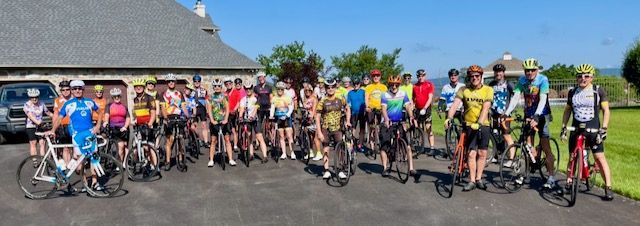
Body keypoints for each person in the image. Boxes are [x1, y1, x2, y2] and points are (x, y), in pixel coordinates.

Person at [561, 64, 613, 200]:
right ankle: (569, 182)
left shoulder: (597, 91)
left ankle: (608, 187)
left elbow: (606, 110)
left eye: (586, 76)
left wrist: (604, 129)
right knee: (572, 156)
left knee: (599, 157)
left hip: (593, 129)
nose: (582, 78)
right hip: (576, 128)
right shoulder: (572, 92)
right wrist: (563, 127)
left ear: (592, 77)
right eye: (579, 76)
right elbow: (567, 110)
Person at [504, 58, 557, 189]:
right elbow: (516, 96)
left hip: (542, 114)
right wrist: (507, 112)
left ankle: (551, 177)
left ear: (537, 69)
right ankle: (526, 173)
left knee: (545, 146)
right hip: (528, 114)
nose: (529, 73)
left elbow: (543, 99)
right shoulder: (522, 80)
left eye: (532, 70)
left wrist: (537, 115)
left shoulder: (542, 79)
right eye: (527, 70)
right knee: (527, 145)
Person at [445, 65, 493, 191]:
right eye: (471, 76)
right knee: (471, 154)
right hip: (468, 125)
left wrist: (480, 122)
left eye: (477, 76)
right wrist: (449, 118)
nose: (474, 78)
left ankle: (478, 178)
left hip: (483, 125)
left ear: (481, 77)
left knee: (482, 153)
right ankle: (472, 180)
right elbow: (455, 105)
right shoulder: (463, 89)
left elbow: (486, 108)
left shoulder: (488, 90)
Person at [46, 80, 101, 189]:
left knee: (93, 158)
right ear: (72, 90)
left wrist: (98, 126)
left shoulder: (89, 102)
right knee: (80, 161)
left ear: (83, 89)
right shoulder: (68, 104)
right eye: (75, 89)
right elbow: (59, 118)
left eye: (79, 88)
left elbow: (100, 112)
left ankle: (95, 182)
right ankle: (85, 184)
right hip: (77, 135)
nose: (77, 91)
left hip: (90, 133)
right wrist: (53, 130)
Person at [379, 75, 415, 177]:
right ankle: (385, 168)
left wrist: (411, 116)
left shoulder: (403, 93)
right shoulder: (384, 95)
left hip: (399, 121)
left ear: (399, 85)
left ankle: (411, 168)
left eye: (396, 85)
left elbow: (408, 106)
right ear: (389, 85)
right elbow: (384, 109)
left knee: (407, 146)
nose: (394, 87)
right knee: (384, 146)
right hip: (387, 122)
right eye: (392, 85)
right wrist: (386, 119)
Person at [315, 79, 349, 179]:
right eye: (328, 87)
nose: (330, 89)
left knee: (340, 149)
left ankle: (341, 170)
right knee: (326, 148)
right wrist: (319, 132)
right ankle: (326, 170)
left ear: (335, 88)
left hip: (338, 128)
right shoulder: (322, 100)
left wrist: (347, 121)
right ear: (325, 88)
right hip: (326, 128)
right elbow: (317, 116)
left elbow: (347, 108)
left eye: (332, 87)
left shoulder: (340, 98)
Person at [488, 64, 516, 165]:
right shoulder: (491, 84)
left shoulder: (509, 84)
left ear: (503, 73)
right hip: (494, 114)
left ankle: (511, 159)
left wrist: (509, 111)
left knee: (506, 135)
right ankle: (495, 155)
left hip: (505, 115)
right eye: (496, 71)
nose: (498, 73)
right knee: (494, 134)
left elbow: (515, 97)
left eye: (500, 71)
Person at [161, 73, 187, 171]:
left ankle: (180, 159)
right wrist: (165, 118)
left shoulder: (179, 94)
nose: (171, 83)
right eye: (169, 81)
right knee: (169, 140)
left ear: (175, 82)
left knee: (180, 140)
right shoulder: (163, 94)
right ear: (167, 83)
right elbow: (163, 108)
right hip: (169, 117)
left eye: (173, 81)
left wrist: (188, 116)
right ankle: (167, 161)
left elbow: (183, 106)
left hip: (179, 117)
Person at [238, 81, 269, 163]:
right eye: (246, 89)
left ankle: (265, 156)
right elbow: (241, 109)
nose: (248, 90)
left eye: (250, 89)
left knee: (259, 137)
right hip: (246, 120)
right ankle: (251, 154)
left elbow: (256, 108)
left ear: (252, 89)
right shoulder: (243, 99)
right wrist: (240, 116)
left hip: (255, 119)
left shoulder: (256, 98)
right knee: (249, 137)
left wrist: (252, 116)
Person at [208, 78, 236, 167]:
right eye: (215, 86)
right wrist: (212, 120)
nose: (217, 87)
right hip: (215, 121)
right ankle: (211, 160)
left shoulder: (225, 96)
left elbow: (227, 109)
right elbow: (209, 110)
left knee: (227, 139)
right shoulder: (210, 97)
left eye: (219, 86)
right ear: (213, 87)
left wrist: (226, 119)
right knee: (213, 141)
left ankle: (231, 159)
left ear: (221, 87)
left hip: (224, 120)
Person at [131, 78, 158, 169]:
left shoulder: (149, 97)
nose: (138, 88)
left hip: (148, 125)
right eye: (136, 87)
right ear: (134, 88)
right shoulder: (134, 99)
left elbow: (153, 112)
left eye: (140, 86)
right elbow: (135, 112)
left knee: (150, 146)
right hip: (139, 126)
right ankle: (147, 163)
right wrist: (134, 120)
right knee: (142, 146)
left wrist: (150, 123)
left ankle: (155, 166)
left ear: (143, 87)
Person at [102, 88, 130, 164]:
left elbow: (128, 118)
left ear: (120, 96)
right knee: (119, 146)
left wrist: (125, 127)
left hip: (123, 128)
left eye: (118, 96)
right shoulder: (109, 106)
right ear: (112, 97)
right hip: (113, 128)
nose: (116, 98)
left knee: (124, 146)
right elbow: (107, 115)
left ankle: (123, 163)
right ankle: (119, 162)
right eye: (115, 96)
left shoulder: (124, 107)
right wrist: (106, 122)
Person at [24, 88, 53, 162]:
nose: (34, 99)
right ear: (30, 98)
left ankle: (43, 160)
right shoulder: (27, 105)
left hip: (40, 126)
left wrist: (57, 118)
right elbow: (30, 116)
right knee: (33, 143)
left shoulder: (41, 104)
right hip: (31, 126)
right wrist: (39, 123)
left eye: (36, 97)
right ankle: (34, 160)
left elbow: (48, 112)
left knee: (42, 142)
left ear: (38, 97)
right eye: (32, 97)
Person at [412, 69, 436, 155]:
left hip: (426, 108)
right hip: (418, 109)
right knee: (420, 129)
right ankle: (421, 147)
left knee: (428, 127)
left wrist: (425, 108)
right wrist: (412, 106)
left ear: (425, 76)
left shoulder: (429, 84)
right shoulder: (414, 86)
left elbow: (430, 98)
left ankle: (432, 147)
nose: (420, 77)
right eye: (419, 76)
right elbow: (413, 98)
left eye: (422, 76)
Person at [270, 81, 295, 160]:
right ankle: (284, 153)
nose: (280, 91)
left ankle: (292, 152)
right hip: (278, 117)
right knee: (281, 136)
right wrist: (271, 115)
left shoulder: (287, 97)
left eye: (281, 89)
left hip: (286, 118)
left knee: (289, 136)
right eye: (278, 89)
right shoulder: (274, 98)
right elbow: (273, 107)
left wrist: (287, 115)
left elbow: (291, 107)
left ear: (284, 90)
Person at [364, 69, 388, 148]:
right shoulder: (369, 87)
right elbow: (366, 97)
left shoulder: (383, 87)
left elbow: (386, 98)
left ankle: (381, 142)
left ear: (380, 77)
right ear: (371, 77)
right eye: (374, 76)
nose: (376, 77)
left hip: (381, 108)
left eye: (377, 76)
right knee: (372, 128)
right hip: (371, 108)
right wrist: (367, 106)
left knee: (381, 127)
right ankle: (372, 144)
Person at [53, 80, 73, 166]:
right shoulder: (57, 100)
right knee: (65, 147)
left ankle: (74, 163)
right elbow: (55, 115)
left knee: (73, 147)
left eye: (67, 89)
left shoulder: (74, 99)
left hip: (73, 126)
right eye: (63, 90)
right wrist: (53, 129)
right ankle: (67, 164)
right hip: (62, 126)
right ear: (60, 91)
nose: (65, 92)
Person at [301, 85, 322, 161]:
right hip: (306, 119)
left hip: (313, 119)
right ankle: (311, 151)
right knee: (309, 137)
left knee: (315, 137)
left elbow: (314, 109)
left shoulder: (314, 99)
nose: (307, 92)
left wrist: (311, 117)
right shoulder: (304, 99)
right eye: (306, 91)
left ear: (311, 91)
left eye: (309, 91)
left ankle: (319, 153)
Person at [346, 78, 366, 153]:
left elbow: (367, 100)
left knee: (362, 129)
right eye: (354, 84)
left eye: (357, 84)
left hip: (362, 112)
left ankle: (360, 144)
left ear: (360, 84)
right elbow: (348, 104)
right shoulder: (350, 93)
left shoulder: (363, 92)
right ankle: (352, 144)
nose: (356, 85)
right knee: (353, 128)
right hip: (354, 113)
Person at [254, 72, 273, 145]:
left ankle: (271, 139)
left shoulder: (269, 87)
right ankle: (257, 141)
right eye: (259, 77)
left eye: (262, 77)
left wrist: (271, 107)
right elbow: (255, 98)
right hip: (260, 108)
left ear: (265, 78)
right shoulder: (256, 87)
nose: (261, 79)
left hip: (267, 107)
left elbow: (271, 97)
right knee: (258, 124)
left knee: (269, 125)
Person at [228, 78, 247, 151]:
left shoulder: (243, 91)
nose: (238, 85)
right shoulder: (234, 91)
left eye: (239, 84)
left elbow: (244, 101)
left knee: (242, 127)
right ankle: (238, 142)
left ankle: (243, 142)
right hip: (235, 112)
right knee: (235, 128)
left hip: (242, 110)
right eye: (236, 84)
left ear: (241, 84)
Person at [192, 74, 210, 147]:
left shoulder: (204, 90)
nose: (197, 82)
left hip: (202, 109)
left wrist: (208, 110)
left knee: (204, 125)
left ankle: (205, 142)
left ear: (200, 82)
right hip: (194, 109)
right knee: (194, 126)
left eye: (198, 81)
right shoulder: (190, 90)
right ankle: (197, 139)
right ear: (193, 82)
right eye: (195, 81)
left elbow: (207, 101)